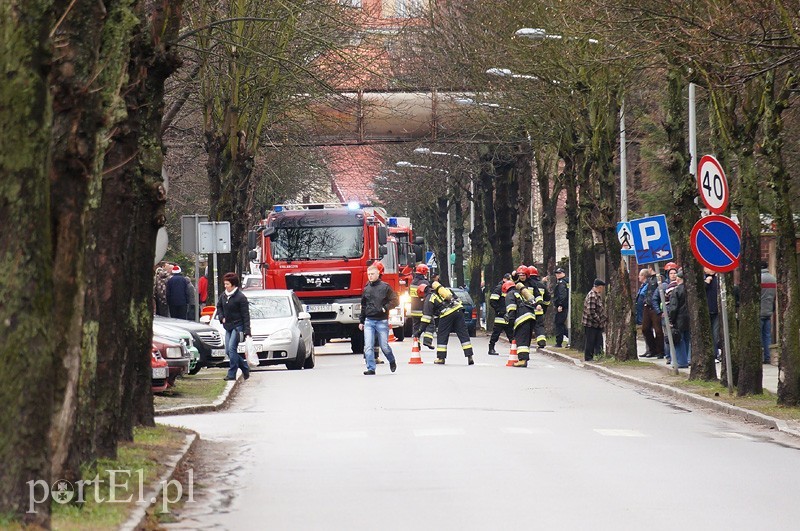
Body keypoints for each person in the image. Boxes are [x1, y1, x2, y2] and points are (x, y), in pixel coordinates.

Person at [418, 279, 474, 365]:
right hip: (458, 310)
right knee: (463, 334)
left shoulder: (430, 298)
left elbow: (426, 318)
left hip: (447, 314)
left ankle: (441, 358)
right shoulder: (445, 290)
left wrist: (419, 332)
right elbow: (456, 299)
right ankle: (469, 356)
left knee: (442, 335)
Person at [359, 265, 399, 375]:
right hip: (369, 321)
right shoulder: (366, 288)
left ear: (378, 274)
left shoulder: (385, 287)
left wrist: (384, 308)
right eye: (368, 274)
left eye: (372, 274)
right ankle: (371, 368)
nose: (370, 276)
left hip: (381, 321)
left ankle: (391, 360)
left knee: (384, 346)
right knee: (368, 346)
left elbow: (395, 301)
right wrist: (361, 321)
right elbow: (363, 305)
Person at [217, 272, 251, 381]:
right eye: (225, 284)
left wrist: (247, 331)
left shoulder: (241, 297)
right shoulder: (223, 295)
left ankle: (231, 374)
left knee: (232, 348)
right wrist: (221, 317)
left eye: (227, 284)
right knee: (228, 351)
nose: (225, 286)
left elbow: (246, 315)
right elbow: (219, 307)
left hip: (238, 326)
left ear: (233, 284)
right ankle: (245, 368)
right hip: (228, 326)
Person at [506, 279, 535, 367]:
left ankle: (522, 360)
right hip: (530, 316)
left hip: (522, 319)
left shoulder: (509, 295)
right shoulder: (519, 294)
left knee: (521, 340)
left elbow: (512, 308)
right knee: (526, 340)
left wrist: (510, 321)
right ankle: (524, 358)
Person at [637, 267, 664, 359]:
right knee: (645, 329)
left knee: (658, 330)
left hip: (655, 307)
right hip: (647, 305)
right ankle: (652, 349)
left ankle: (660, 351)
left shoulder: (658, 278)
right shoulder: (649, 280)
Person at [668, 269, 691, 368]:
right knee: (686, 339)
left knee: (678, 340)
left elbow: (674, 307)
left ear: (678, 279)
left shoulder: (676, 290)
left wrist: (671, 320)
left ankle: (681, 361)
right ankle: (686, 359)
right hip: (689, 319)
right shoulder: (691, 289)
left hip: (679, 319)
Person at [488, 273, 513, 355]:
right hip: (500, 316)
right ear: (504, 279)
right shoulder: (499, 288)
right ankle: (491, 348)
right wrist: (499, 311)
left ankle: (515, 350)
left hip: (509, 315)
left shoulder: (511, 288)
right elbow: (492, 301)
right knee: (496, 333)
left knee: (511, 334)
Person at [581, 279, 606, 361]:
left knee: (599, 341)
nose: (602, 290)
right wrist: (599, 320)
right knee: (590, 341)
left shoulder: (596, 295)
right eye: (602, 288)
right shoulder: (592, 296)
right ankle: (588, 357)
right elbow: (591, 311)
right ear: (599, 287)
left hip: (596, 324)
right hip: (591, 324)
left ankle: (599, 356)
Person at [409, 263, 433, 348]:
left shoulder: (412, 282)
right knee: (430, 324)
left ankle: (416, 343)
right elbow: (429, 295)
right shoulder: (425, 282)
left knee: (416, 326)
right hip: (423, 309)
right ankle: (427, 341)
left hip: (414, 309)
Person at [528, 265, 551, 348]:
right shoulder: (542, 285)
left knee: (527, 326)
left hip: (528, 310)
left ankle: (526, 342)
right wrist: (543, 308)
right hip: (539, 310)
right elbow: (547, 298)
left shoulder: (526, 285)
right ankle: (541, 341)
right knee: (539, 326)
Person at [761, 262, 777, 364]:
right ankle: (767, 358)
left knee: (758, 336)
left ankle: (759, 358)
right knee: (767, 336)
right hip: (769, 311)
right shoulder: (773, 279)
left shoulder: (758, 279)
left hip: (759, 311)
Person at [704, 267, 721, 361]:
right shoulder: (702, 278)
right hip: (706, 310)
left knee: (715, 334)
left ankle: (715, 354)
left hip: (716, 310)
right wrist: (706, 282)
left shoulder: (718, 279)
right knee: (707, 333)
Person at [552, 267, 569, 348]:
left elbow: (562, 295)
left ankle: (559, 343)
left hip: (562, 306)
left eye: (559, 273)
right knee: (561, 323)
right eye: (556, 273)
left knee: (559, 323)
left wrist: (560, 305)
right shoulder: (566, 281)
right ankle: (571, 337)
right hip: (565, 306)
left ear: (563, 273)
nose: (557, 275)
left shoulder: (561, 283)